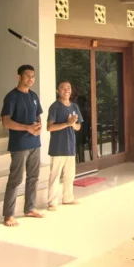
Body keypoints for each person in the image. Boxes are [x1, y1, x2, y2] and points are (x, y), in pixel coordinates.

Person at [0, 64, 44, 226]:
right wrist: (27, 128)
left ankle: (29, 208)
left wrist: (38, 127)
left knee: (33, 177)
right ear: (19, 77)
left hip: (35, 143)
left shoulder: (33, 95)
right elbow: (6, 122)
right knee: (16, 179)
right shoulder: (11, 97)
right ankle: (8, 215)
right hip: (19, 144)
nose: (30, 79)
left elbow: (38, 115)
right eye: (27, 75)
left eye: (32, 76)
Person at [45, 81, 84, 211]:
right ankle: (52, 202)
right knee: (55, 176)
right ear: (58, 91)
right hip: (57, 147)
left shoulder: (74, 106)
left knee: (70, 175)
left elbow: (78, 127)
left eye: (68, 87)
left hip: (70, 146)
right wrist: (67, 124)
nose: (66, 90)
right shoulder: (54, 107)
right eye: (63, 88)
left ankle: (68, 198)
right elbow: (49, 127)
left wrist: (72, 124)